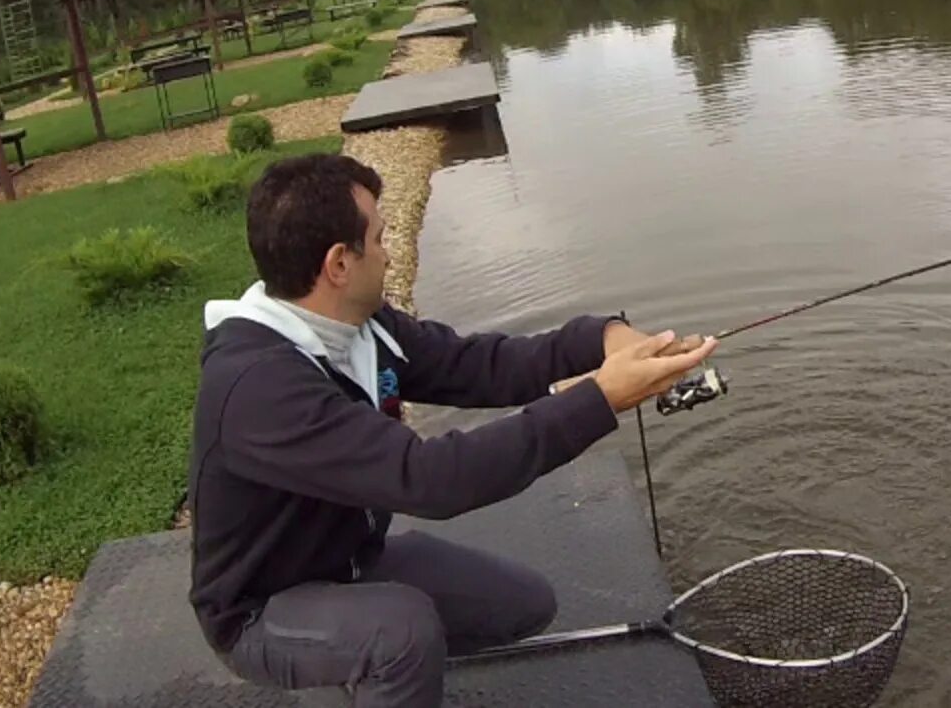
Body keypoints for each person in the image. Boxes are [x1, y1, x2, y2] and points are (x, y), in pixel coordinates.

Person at [188, 153, 717, 707]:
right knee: (403, 633)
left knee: (523, 605)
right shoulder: (259, 388)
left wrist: (600, 339)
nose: (390, 255)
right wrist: (603, 396)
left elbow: (476, 366)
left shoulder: (359, 325)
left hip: (349, 561)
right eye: (380, 237)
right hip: (262, 610)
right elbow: (431, 479)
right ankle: (360, 659)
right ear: (339, 263)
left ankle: (361, 658)